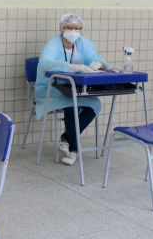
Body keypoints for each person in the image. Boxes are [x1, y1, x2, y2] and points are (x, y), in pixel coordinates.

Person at [35, 13, 109, 165]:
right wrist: (71, 66)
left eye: (77, 28)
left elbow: (97, 57)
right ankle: (74, 150)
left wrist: (99, 64)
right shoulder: (53, 44)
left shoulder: (83, 43)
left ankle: (66, 138)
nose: (74, 31)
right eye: (70, 27)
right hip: (49, 88)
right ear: (62, 28)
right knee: (72, 103)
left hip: (71, 89)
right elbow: (45, 64)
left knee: (95, 104)